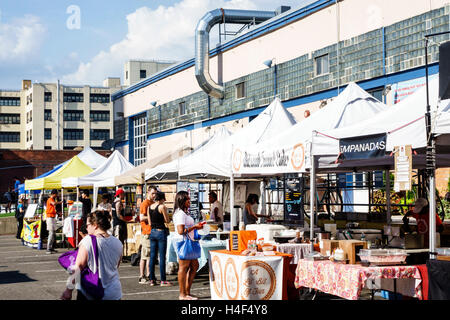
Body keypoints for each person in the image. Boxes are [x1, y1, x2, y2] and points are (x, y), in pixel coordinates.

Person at [60, 210, 123, 300]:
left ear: (95, 225)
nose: (86, 228)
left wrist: (68, 290)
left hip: (92, 292)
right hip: (114, 293)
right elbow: (116, 266)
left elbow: (77, 268)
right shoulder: (118, 243)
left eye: (87, 225)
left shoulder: (88, 241)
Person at [173, 191, 204, 300]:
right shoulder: (180, 213)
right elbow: (181, 231)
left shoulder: (183, 212)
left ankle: (187, 292)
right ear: (182, 201)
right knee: (184, 267)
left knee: (194, 265)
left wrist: (196, 227)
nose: (189, 202)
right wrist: (195, 227)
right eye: (187, 200)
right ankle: (183, 294)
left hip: (189, 241)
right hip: (184, 242)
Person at [148, 191, 172, 286]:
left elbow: (149, 222)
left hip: (152, 232)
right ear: (162, 199)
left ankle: (152, 279)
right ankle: (163, 280)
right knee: (162, 257)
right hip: (161, 232)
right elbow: (167, 220)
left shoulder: (149, 207)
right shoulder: (162, 207)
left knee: (152, 257)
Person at [138, 185, 157, 284]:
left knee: (150, 255)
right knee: (145, 256)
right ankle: (142, 275)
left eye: (155, 194)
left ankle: (149, 274)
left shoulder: (153, 203)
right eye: (153, 193)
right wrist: (152, 217)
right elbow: (141, 218)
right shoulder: (145, 203)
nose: (154, 195)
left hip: (152, 231)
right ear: (148, 192)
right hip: (146, 232)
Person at [46, 189, 62, 254]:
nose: (57, 195)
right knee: (51, 233)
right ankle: (48, 248)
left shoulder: (52, 199)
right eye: (56, 194)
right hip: (49, 218)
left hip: (52, 217)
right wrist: (60, 202)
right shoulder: (50, 199)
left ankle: (51, 247)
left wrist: (58, 213)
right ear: (53, 194)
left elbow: (53, 208)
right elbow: (53, 203)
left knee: (53, 233)